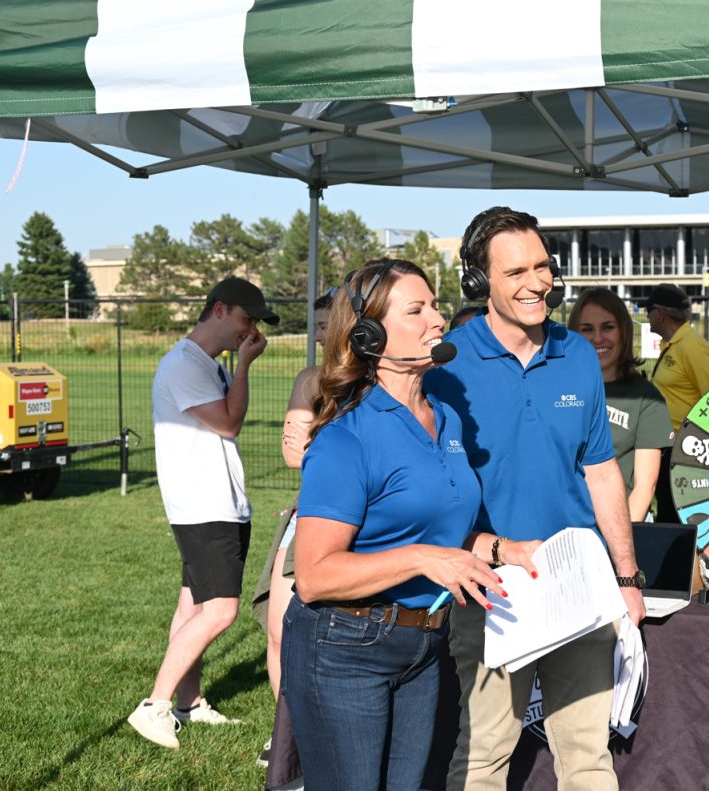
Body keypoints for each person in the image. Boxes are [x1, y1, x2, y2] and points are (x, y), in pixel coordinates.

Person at [281, 259, 538, 791]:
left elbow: (436, 530)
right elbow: (314, 575)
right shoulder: (345, 438)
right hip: (344, 648)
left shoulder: (445, 417)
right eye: (416, 310)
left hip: (422, 647)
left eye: (436, 306)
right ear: (370, 334)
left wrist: (505, 550)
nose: (438, 321)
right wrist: (424, 559)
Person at [427, 206, 645, 790]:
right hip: (490, 584)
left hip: (578, 580)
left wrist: (627, 579)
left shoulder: (577, 353)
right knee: (483, 755)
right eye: (517, 271)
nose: (537, 284)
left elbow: (601, 470)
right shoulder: (445, 363)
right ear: (480, 281)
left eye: (543, 267)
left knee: (588, 755)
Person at [128, 276, 277, 749]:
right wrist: (247, 366)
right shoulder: (186, 365)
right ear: (217, 309)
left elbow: (226, 419)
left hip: (213, 503)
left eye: (253, 321)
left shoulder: (205, 365)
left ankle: (187, 703)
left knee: (191, 605)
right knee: (221, 610)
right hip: (204, 505)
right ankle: (153, 704)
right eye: (244, 317)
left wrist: (238, 367)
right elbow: (229, 423)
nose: (249, 328)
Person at [249, 288, 334, 766]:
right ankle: (286, 734)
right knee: (281, 632)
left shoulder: (373, 380)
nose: (318, 334)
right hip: (306, 510)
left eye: (326, 324)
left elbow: (309, 447)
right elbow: (292, 453)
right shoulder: (310, 380)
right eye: (314, 325)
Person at [569, 287, 672, 521]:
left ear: (623, 332)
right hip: (562, 525)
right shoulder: (557, 389)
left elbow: (645, 488)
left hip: (621, 523)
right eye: (586, 329)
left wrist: (619, 545)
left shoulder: (646, 398)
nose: (597, 338)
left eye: (608, 327)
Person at [644, 282, 709, 523]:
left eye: (649, 311)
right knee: (666, 511)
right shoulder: (675, 344)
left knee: (674, 515)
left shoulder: (692, 346)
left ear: (661, 313)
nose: (646, 317)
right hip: (669, 446)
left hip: (684, 449)